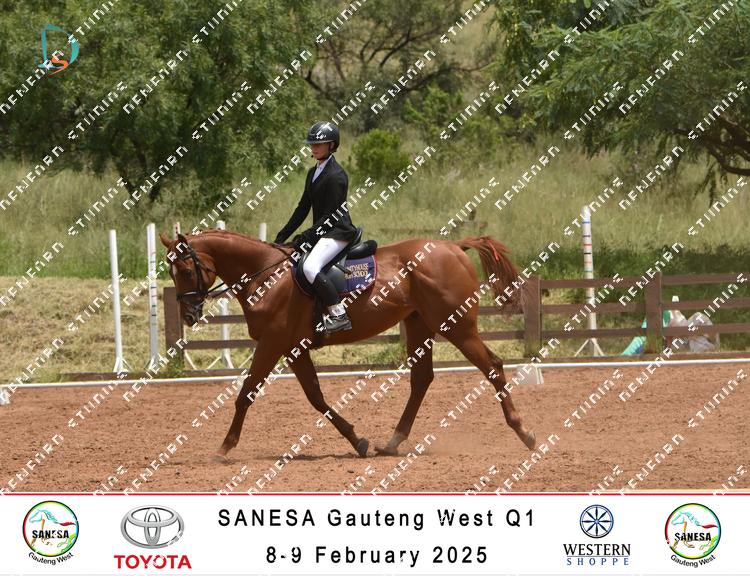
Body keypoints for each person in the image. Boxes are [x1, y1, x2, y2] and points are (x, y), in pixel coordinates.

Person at [274, 121, 359, 333]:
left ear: (331, 145)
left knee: (310, 267)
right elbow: (303, 208)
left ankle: (339, 315)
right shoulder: (313, 173)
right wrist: (282, 236)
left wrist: (307, 236)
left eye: (318, 144)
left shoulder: (337, 176)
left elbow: (331, 215)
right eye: (311, 144)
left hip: (338, 232)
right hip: (323, 232)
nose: (313, 148)